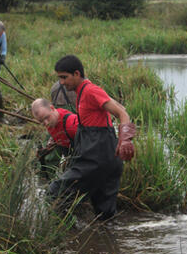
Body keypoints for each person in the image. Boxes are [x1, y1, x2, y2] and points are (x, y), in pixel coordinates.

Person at [47, 55, 136, 220]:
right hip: (105, 159)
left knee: (55, 190)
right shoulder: (81, 92)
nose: (61, 83)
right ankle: (107, 243)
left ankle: (67, 232)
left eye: (64, 77)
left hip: (96, 158)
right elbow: (120, 106)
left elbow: (121, 112)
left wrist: (125, 139)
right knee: (105, 216)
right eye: (59, 78)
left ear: (76, 74)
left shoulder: (90, 91)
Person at [30, 98, 78, 174]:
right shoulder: (51, 123)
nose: (46, 123)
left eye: (47, 117)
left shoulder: (72, 123)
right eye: (41, 121)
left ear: (52, 108)